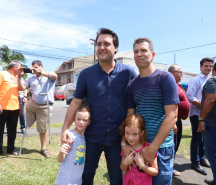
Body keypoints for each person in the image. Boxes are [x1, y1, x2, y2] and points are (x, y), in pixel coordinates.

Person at [61, 28, 137, 185]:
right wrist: (64, 129)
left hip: (118, 138)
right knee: (86, 175)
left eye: (106, 44)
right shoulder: (86, 74)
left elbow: (136, 102)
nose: (102, 47)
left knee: (116, 178)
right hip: (91, 137)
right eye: (99, 44)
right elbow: (75, 102)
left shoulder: (128, 73)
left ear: (115, 47)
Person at [124, 38, 179, 185]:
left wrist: (152, 148)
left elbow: (172, 116)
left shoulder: (165, 78)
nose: (139, 54)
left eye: (143, 50)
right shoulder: (132, 85)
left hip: (161, 148)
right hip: (139, 147)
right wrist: (126, 144)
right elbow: (130, 116)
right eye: (136, 52)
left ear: (153, 54)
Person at [18, 60, 57, 158]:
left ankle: (43, 148)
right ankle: (27, 124)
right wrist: (19, 77)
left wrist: (39, 72)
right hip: (33, 105)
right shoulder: (31, 79)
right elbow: (22, 87)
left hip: (45, 106)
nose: (33, 70)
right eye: (32, 68)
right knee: (28, 119)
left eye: (35, 67)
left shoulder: (49, 76)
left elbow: (55, 76)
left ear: (41, 66)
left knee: (43, 129)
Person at [198, 60, 216, 185]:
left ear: (214, 68)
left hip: (214, 124)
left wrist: (202, 119)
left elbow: (210, 101)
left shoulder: (214, 80)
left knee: (213, 155)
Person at [186, 57, 213, 175]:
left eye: (210, 66)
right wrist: (202, 107)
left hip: (207, 114)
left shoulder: (211, 80)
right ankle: (195, 162)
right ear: (200, 67)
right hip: (197, 114)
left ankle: (202, 159)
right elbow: (190, 96)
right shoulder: (196, 80)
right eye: (206, 66)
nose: (209, 68)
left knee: (203, 139)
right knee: (197, 138)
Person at [56, 104, 91, 185]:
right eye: (78, 119)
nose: (81, 122)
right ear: (74, 119)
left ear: (89, 122)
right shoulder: (70, 136)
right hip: (65, 181)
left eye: (85, 120)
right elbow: (60, 160)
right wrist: (61, 152)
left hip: (78, 182)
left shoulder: (86, 138)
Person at [120, 114, 158, 185]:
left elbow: (155, 172)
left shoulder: (148, 149)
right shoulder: (127, 148)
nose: (130, 138)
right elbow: (123, 168)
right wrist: (125, 162)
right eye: (127, 133)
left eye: (134, 134)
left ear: (142, 132)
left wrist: (142, 166)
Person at [168, 64, 190, 176]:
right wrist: (173, 123)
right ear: (173, 73)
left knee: (176, 143)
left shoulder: (177, 85)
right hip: (173, 120)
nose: (182, 74)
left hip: (178, 120)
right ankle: (169, 168)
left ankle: (170, 163)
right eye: (180, 72)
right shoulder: (169, 85)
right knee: (173, 144)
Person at [0, 60, 22, 156]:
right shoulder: (3, 74)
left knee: (12, 130)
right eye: (20, 67)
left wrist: (20, 106)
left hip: (15, 108)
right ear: (14, 67)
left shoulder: (17, 78)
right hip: (3, 108)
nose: (21, 69)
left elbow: (18, 93)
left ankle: (11, 148)